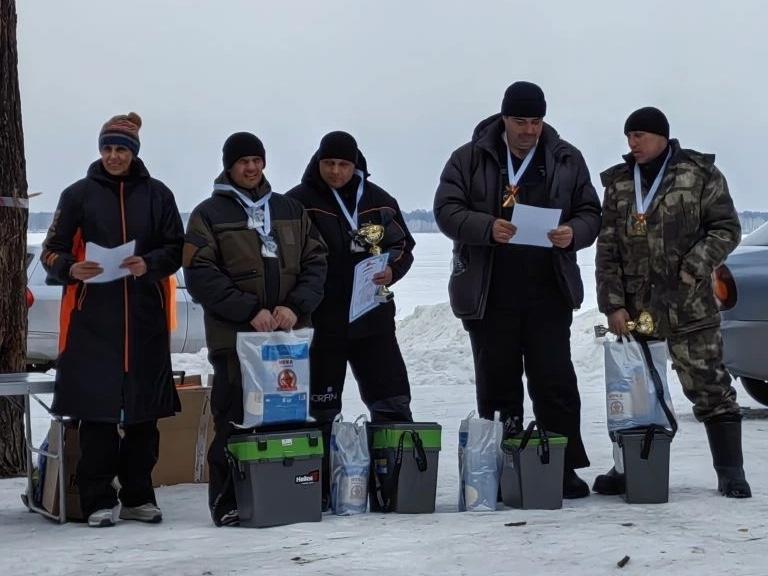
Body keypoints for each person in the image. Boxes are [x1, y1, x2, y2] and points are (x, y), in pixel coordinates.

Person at [433, 82, 602, 498]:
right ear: (504, 118)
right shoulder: (469, 158)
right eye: (521, 121)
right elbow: (446, 210)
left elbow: (591, 212)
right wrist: (486, 227)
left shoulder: (566, 157)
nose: (529, 130)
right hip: (490, 291)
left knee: (555, 381)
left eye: (536, 121)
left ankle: (559, 466)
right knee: (498, 383)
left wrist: (573, 233)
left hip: (549, 289)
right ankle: (502, 466)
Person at [595, 107, 751, 498]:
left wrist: (694, 265)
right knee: (633, 397)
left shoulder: (699, 174)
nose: (632, 143)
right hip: (636, 310)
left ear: (662, 137)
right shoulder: (618, 184)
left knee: (710, 388)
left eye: (640, 136)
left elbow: (727, 228)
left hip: (689, 306)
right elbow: (608, 247)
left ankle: (731, 472)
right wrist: (612, 304)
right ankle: (629, 469)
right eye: (628, 136)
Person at [41, 112, 184, 527]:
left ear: (134, 152)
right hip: (92, 323)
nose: (113, 156)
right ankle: (97, 499)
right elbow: (51, 251)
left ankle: (139, 496)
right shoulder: (77, 195)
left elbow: (177, 249)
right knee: (97, 417)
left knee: (143, 417)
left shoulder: (159, 195)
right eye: (107, 148)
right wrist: (71, 268)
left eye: (121, 149)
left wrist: (150, 263)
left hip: (145, 321)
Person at [183, 132, 327, 525]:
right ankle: (228, 499)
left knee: (289, 419)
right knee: (233, 418)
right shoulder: (208, 214)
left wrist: (294, 306)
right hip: (236, 341)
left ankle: (291, 491)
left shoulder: (290, 209)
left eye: (256, 160)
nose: (250, 168)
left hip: (287, 343)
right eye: (242, 161)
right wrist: (250, 311)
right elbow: (199, 273)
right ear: (229, 166)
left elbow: (317, 262)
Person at [286, 131, 415, 506]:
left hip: (373, 318)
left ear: (356, 165)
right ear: (318, 162)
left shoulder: (379, 201)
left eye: (344, 164)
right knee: (321, 408)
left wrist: (393, 269)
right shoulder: (298, 202)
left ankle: (394, 484)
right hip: (322, 322)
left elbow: (402, 244)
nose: (337, 172)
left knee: (392, 399)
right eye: (330, 164)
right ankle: (319, 488)